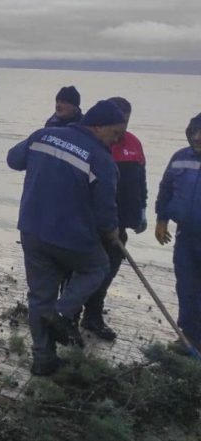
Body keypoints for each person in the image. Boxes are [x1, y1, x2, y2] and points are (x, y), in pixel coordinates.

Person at [7, 99, 126, 376]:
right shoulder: (101, 160)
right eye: (115, 133)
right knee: (97, 267)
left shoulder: (43, 135)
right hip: (73, 238)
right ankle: (62, 313)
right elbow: (106, 208)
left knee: (39, 295)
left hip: (33, 230)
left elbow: (14, 159)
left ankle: (42, 358)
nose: (117, 141)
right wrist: (111, 232)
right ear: (97, 126)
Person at [77, 96, 147, 340]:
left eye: (126, 121)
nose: (123, 127)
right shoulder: (94, 144)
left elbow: (140, 178)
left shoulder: (134, 144)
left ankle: (93, 315)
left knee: (108, 271)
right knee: (82, 271)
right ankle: (70, 316)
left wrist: (142, 210)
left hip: (121, 222)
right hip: (92, 224)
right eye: (119, 121)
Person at [154, 112, 201, 354]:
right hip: (185, 236)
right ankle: (188, 336)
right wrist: (161, 219)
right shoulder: (180, 158)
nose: (198, 137)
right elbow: (166, 188)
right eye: (194, 132)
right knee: (186, 286)